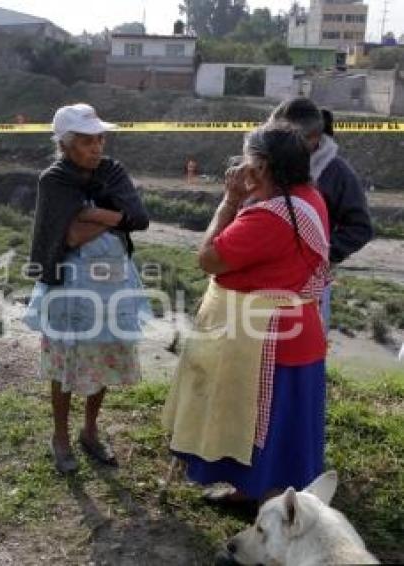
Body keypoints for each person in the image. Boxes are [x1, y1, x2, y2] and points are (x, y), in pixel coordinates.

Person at [162, 123, 330, 504]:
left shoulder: (266, 218)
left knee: (259, 426)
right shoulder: (308, 198)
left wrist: (229, 201)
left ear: (264, 167)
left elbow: (208, 260)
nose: (240, 166)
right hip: (295, 332)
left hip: (266, 341)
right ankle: (249, 492)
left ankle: (270, 512)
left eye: (247, 159)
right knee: (274, 428)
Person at [24, 103, 150, 474]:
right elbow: (69, 236)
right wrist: (115, 218)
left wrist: (91, 212)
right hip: (69, 284)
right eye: (86, 141)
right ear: (65, 144)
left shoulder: (113, 172)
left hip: (112, 281)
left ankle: (90, 431)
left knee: (105, 356)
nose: (96, 148)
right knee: (66, 360)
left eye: (99, 139)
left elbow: (138, 219)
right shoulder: (54, 180)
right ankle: (60, 438)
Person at [270, 98, 373, 331]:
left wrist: (319, 257)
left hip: (310, 284)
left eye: (286, 140)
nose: (278, 146)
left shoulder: (336, 172)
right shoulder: (269, 162)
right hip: (265, 277)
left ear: (314, 139)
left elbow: (360, 228)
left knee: (303, 350)